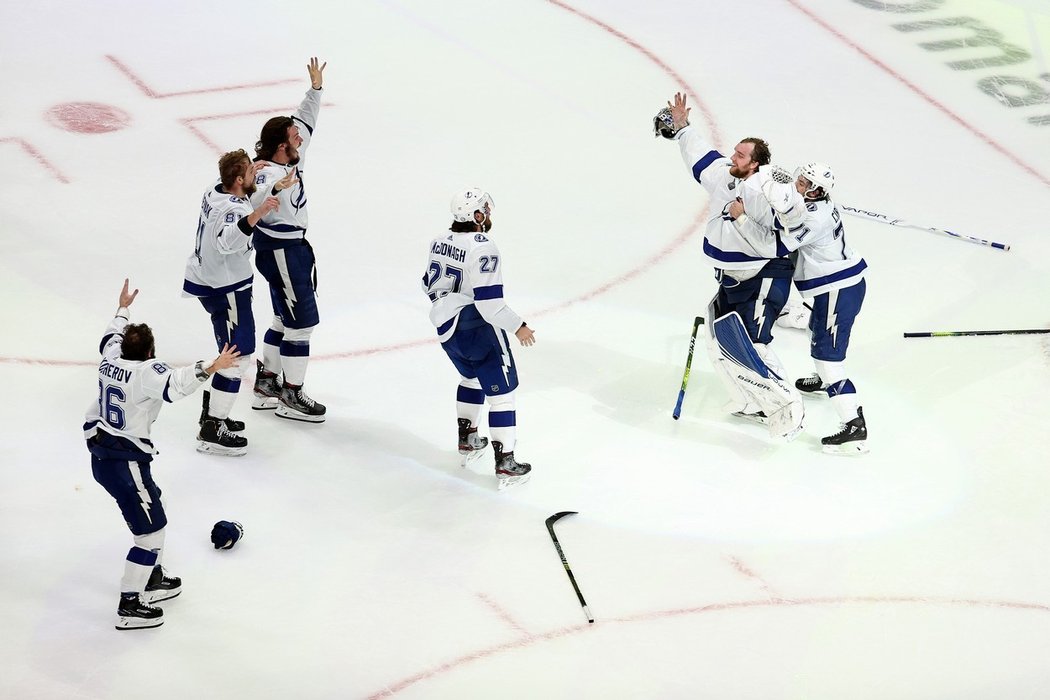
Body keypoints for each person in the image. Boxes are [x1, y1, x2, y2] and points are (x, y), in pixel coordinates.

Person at [85, 280, 240, 629]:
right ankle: (130, 603)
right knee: (151, 533)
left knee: (158, 505)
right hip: (125, 462)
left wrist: (122, 308)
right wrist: (213, 365)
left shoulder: (109, 359)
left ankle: (151, 577)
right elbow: (177, 384)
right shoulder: (146, 373)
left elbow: (111, 334)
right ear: (151, 352)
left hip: (105, 453)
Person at [656, 92, 803, 439]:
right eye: (735, 152)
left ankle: (789, 410)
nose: (732, 157)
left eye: (740, 155)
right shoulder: (725, 175)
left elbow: (771, 244)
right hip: (732, 278)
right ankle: (749, 401)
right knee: (718, 341)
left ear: (755, 164)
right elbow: (700, 155)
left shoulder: (764, 194)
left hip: (763, 275)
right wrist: (682, 128)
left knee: (753, 345)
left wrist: (740, 219)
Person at [741, 163, 869, 453]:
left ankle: (853, 425)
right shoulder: (815, 203)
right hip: (839, 284)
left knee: (828, 359)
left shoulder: (814, 218)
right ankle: (826, 383)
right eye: (799, 179)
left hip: (838, 289)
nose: (797, 185)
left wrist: (743, 220)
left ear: (817, 191)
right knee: (816, 328)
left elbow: (777, 245)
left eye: (803, 183)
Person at [422, 188, 535, 489]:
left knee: (470, 380)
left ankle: (468, 439)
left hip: (446, 327)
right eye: (485, 209)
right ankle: (506, 462)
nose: (489, 214)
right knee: (502, 395)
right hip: (478, 327)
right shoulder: (483, 246)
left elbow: (427, 283)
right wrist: (519, 325)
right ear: (476, 215)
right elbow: (490, 306)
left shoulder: (439, 240)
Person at [182, 149, 285, 455]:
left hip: (207, 280)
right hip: (225, 288)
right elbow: (227, 242)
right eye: (251, 174)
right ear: (239, 180)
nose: (257, 175)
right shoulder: (234, 211)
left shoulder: (215, 189)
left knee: (230, 351)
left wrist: (259, 174)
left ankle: (213, 411)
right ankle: (213, 427)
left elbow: (233, 185)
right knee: (236, 355)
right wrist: (259, 212)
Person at [249, 57, 327, 423]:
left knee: (284, 317)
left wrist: (315, 89)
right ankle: (292, 395)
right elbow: (255, 193)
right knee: (301, 323)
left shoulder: (288, 154)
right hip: (282, 251)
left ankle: (267, 383)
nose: (301, 138)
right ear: (281, 147)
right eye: (294, 138)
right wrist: (273, 188)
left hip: (289, 249)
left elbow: (306, 120)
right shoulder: (266, 173)